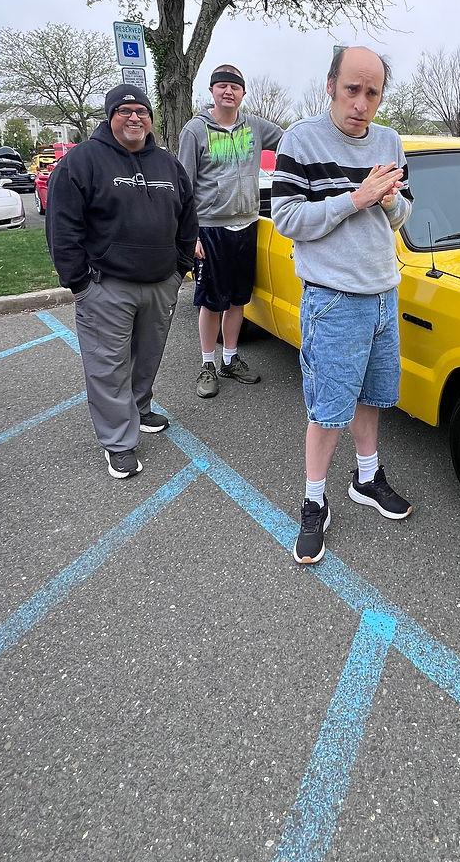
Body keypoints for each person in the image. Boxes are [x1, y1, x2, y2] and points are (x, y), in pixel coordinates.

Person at [271, 45, 414, 565]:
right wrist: (355, 197)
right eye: (352, 89)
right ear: (329, 84)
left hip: (382, 293)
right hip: (332, 300)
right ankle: (314, 502)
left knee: (372, 397)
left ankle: (367, 478)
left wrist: (389, 198)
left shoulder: (390, 141)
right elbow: (286, 218)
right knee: (328, 409)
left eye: (372, 92)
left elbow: (401, 216)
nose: (361, 102)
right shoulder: (301, 140)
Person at [45, 84, 198, 479]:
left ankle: (139, 408)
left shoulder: (167, 165)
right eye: (125, 110)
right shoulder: (82, 162)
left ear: (151, 119)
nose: (134, 117)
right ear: (110, 116)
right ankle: (118, 442)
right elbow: (62, 228)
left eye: (142, 111)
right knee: (108, 365)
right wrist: (79, 283)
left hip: (160, 281)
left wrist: (179, 269)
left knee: (147, 355)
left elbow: (187, 217)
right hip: (106, 285)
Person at [177, 65, 283, 396]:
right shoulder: (195, 131)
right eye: (221, 86)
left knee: (238, 299)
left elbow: (292, 141)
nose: (228, 92)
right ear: (212, 91)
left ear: (242, 93)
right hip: (210, 229)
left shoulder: (255, 126)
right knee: (211, 301)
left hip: (247, 225)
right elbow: (184, 187)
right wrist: (189, 234)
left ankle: (230, 358)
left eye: (234, 87)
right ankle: (207, 364)